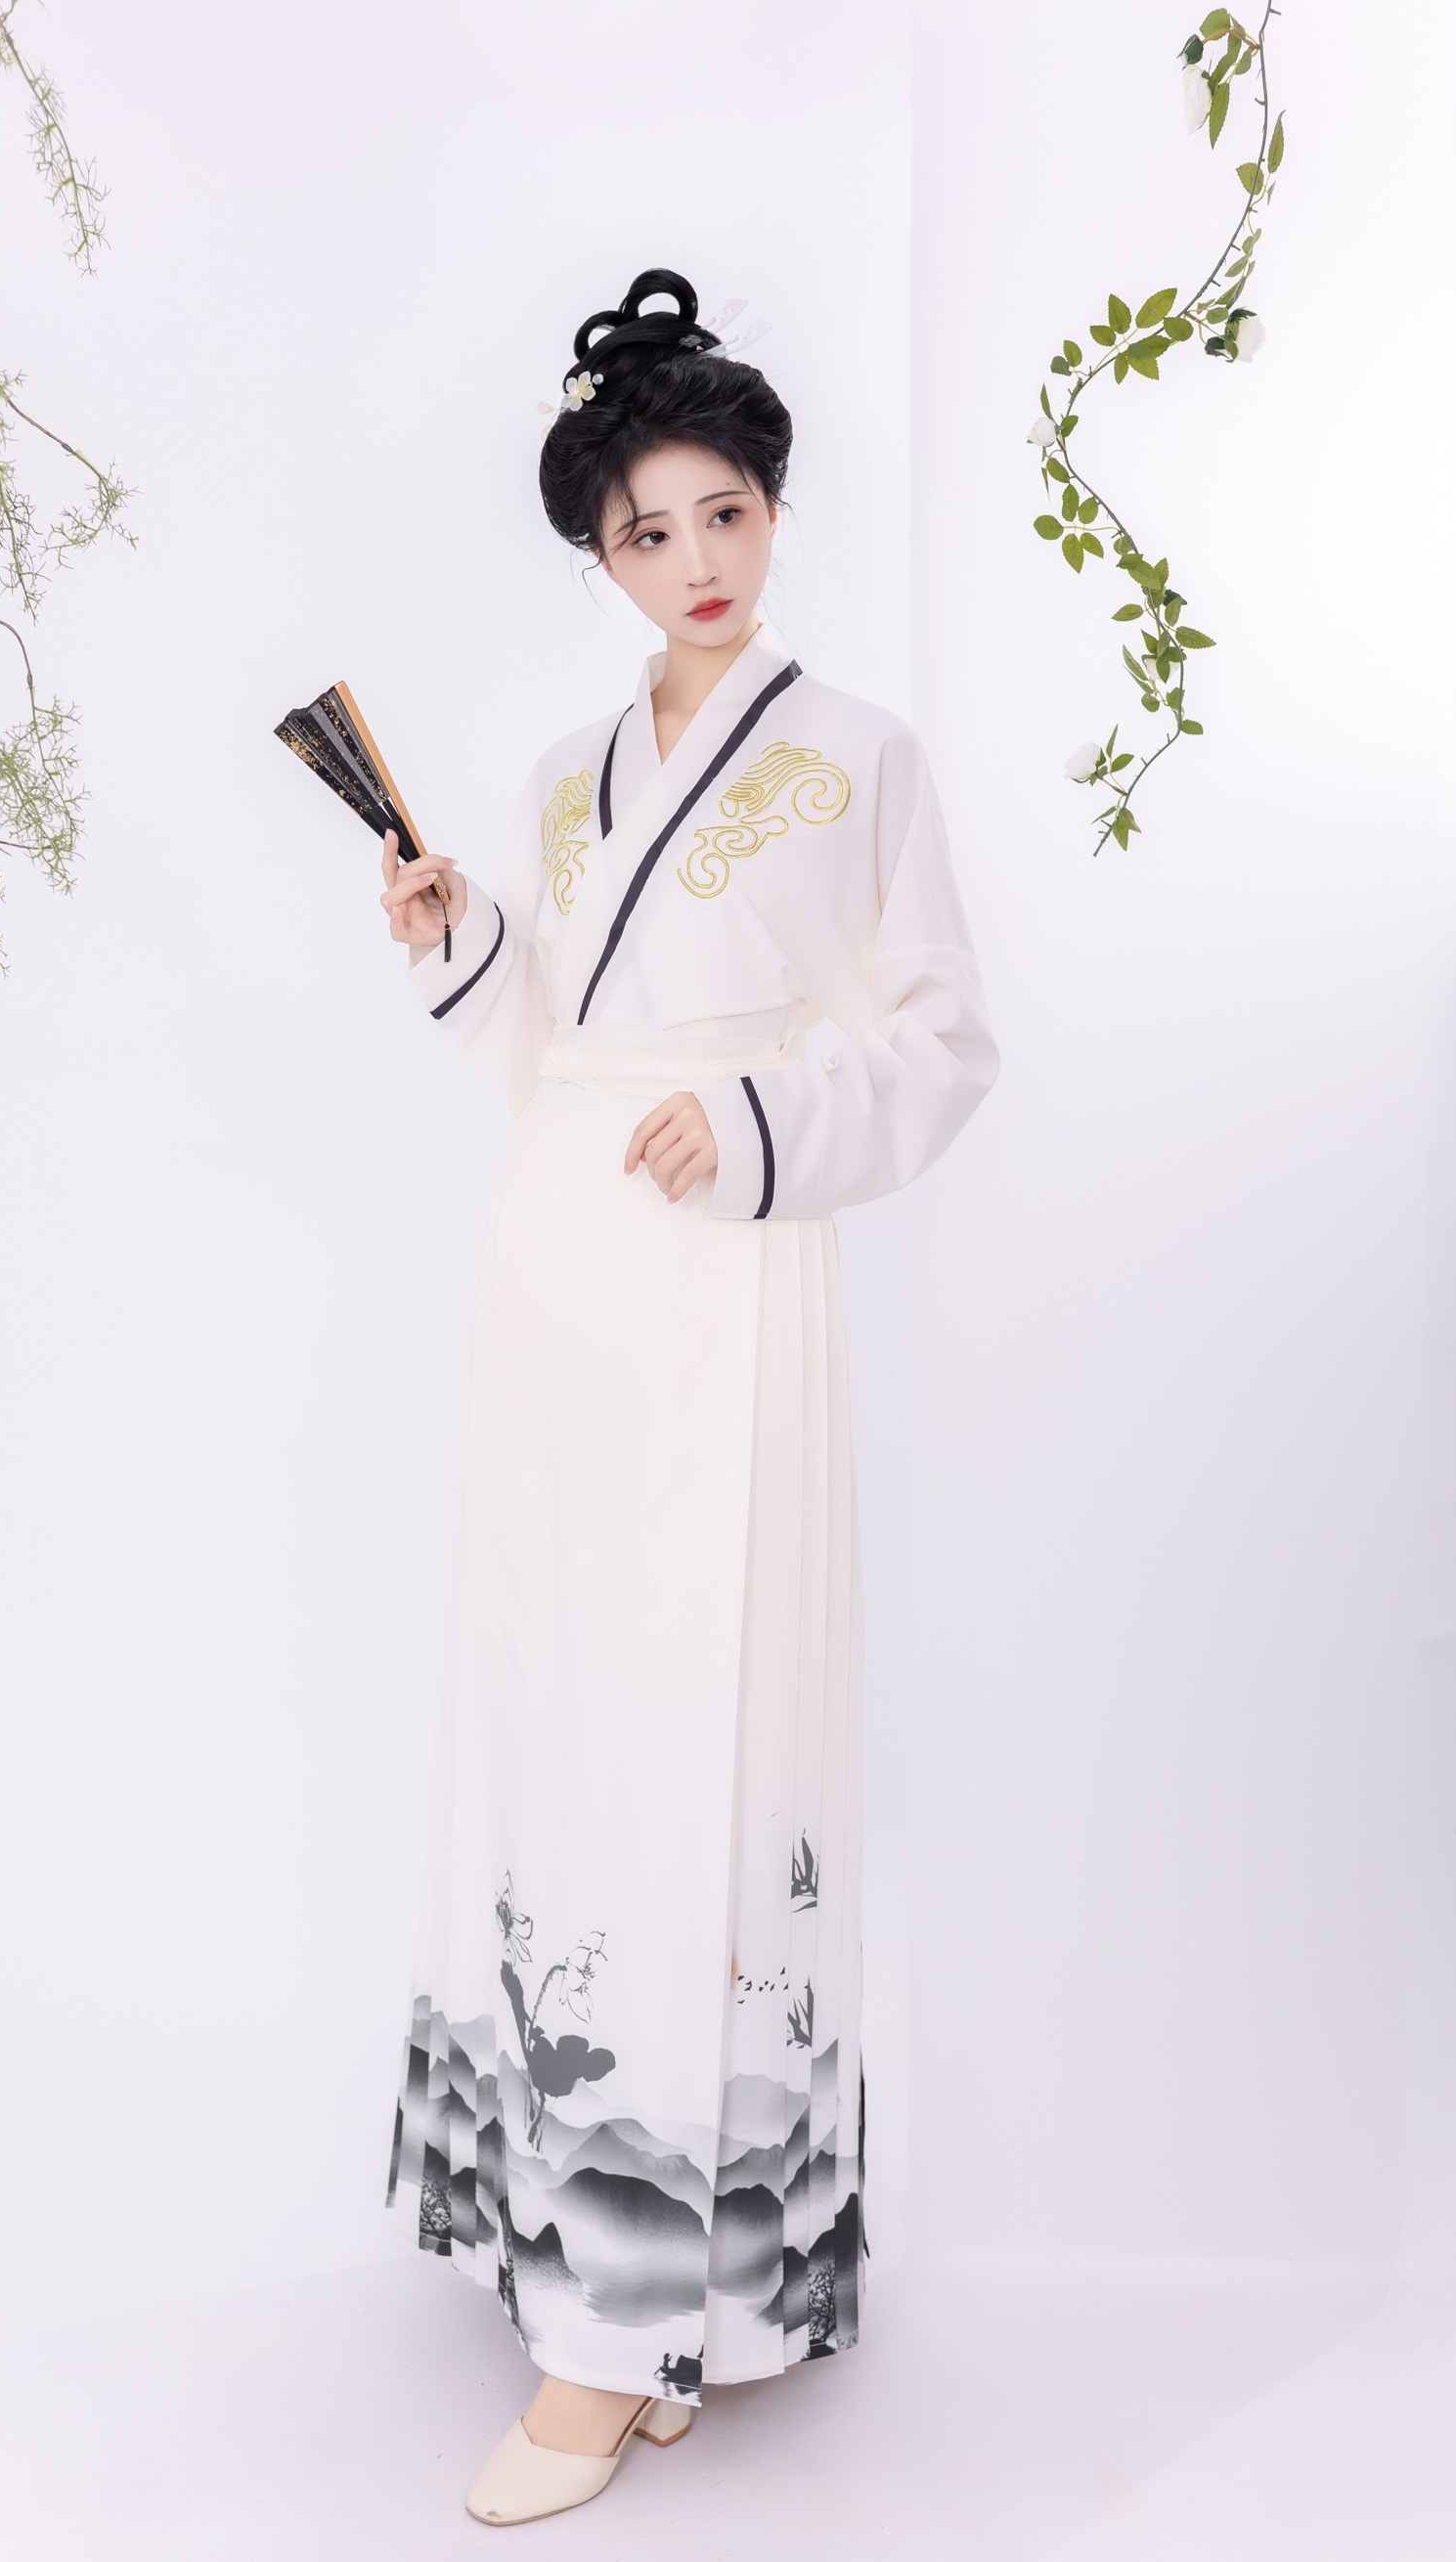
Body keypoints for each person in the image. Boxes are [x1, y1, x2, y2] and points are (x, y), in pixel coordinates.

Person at [377, 268, 998, 2527]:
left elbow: (942, 1043)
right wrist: (459, 938)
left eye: (725, 510)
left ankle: (648, 2316)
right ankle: (583, 2250)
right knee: (560, 1712)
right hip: (558, 1276)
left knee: (695, 1731)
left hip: (728, 1277)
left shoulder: (860, 759)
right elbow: (547, 1047)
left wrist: (751, 1125)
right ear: (602, 554)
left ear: (773, 508)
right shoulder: (567, 779)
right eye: (647, 532)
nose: (696, 559)